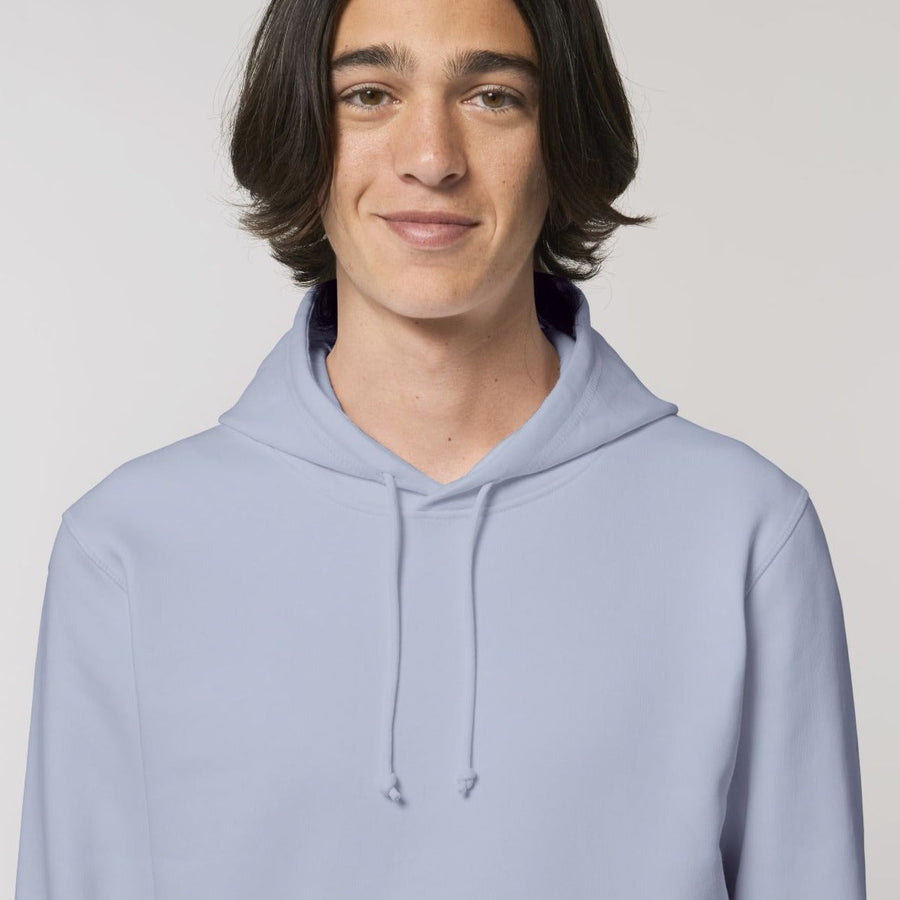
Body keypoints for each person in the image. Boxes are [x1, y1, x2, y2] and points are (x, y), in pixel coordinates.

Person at [14, 0, 866, 897]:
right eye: (369, 94)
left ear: (562, 142)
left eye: (493, 97)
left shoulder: (743, 533)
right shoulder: (128, 549)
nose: (431, 158)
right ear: (301, 134)